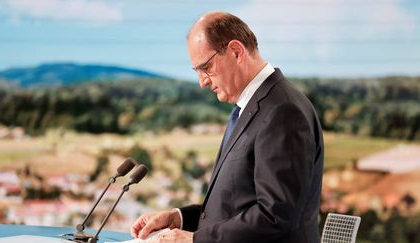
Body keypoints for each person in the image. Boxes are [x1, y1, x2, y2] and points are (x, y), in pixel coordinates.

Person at [131, 11, 324, 243]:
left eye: (206, 67)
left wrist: (194, 240)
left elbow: (275, 217)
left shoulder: (283, 111)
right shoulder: (248, 107)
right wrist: (178, 218)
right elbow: (235, 206)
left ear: (236, 52)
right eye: (197, 72)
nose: (202, 82)